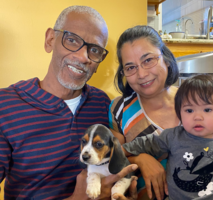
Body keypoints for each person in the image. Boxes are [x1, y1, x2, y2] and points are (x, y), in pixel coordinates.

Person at [0, 5, 137, 200]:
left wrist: (143, 159)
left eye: (95, 50)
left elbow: (116, 153)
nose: (83, 57)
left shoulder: (101, 102)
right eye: (72, 40)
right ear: (50, 40)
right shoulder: (5, 105)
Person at [108, 25, 213, 200]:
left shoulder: (198, 101)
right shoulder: (119, 108)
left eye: (148, 60)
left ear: (165, 58)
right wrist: (141, 159)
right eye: (130, 67)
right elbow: (112, 158)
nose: (141, 74)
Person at [122, 74, 213, 200]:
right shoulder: (172, 136)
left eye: (207, 109)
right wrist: (121, 150)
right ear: (179, 112)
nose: (197, 117)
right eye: (189, 110)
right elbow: (146, 144)